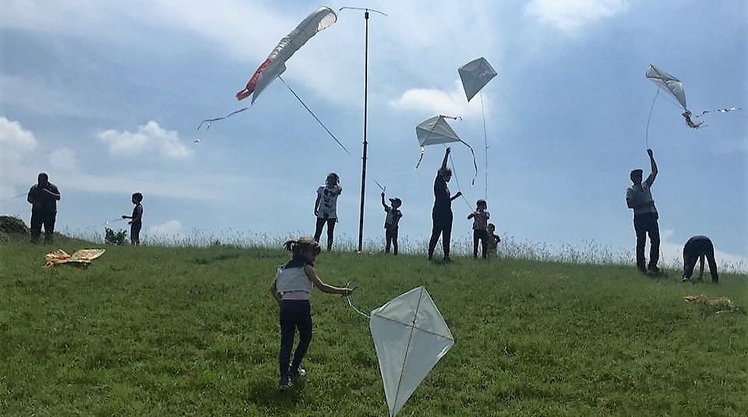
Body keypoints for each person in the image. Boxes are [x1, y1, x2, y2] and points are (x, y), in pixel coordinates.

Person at [269, 237, 353, 390]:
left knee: (286, 342)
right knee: (306, 337)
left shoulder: (281, 269)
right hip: (301, 307)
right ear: (302, 251)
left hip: (286, 307)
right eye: (313, 254)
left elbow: (272, 290)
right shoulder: (306, 268)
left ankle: (283, 379)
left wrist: (282, 301)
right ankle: (294, 368)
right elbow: (322, 287)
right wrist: (342, 291)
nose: (314, 258)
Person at [626, 149, 660, 274]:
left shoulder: (646, 185)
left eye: (640, 175)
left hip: (651, 216)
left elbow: (655, 172)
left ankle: (652, 265)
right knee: (641, 242)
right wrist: (646, 203)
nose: (639, 178)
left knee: (655, 240)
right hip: (640, 217)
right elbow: (630, 204)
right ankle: (641, 266)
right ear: (632, 178)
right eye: (636, 176)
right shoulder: (630, 190)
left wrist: (651, 157)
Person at [427, 147, 462, 262]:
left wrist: (455, 197)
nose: (449, 179)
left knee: (447, 235)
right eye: (449, 176)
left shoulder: (446, 188)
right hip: (438, 212)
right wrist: (446, 154)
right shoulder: (439, 181)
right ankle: (430, 255)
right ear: (444, 175)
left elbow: (446, 201)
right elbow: (442, 167)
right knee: (436, 233)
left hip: (447, 212)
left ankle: (446, 256)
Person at [27, 172, 61, 243]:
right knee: (35, 231)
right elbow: (29, 198)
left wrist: (48, 193)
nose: (40, 182)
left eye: (42, 180)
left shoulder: (53, 188)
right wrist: (35, 203)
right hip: (37, 212)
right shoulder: (34, 188)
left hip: (49, 212)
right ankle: (34, 244)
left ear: (46, 180)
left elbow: (58, 197)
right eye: (39, 180)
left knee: (49, 231)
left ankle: (47, 245)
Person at [313, 173, 342, 251]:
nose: (330, 180)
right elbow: (318, 199)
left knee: (330, 232)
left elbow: (339, 189)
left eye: (332, 179)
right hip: (321, 212)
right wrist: (315, 208)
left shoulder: (336, 190)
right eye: (329, 178)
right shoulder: (322, 189)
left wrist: (337, 182)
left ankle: (329, 249)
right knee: (318, 231)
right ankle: (314, 248)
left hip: (331, 214)